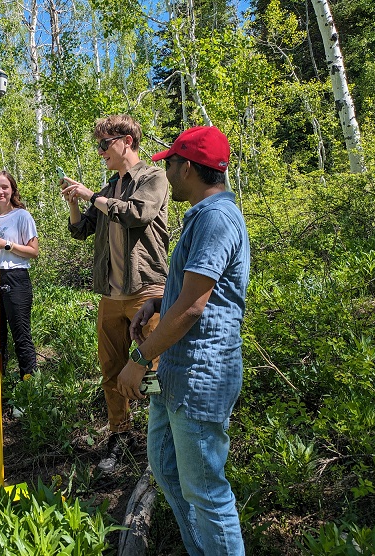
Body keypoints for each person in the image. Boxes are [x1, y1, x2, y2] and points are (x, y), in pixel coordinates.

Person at [116, 126, 250, 555]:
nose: (167, 172)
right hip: (175, 373)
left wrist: (139, 359)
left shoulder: (215, 218)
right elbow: (193, 292)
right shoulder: (203, 216)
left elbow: (195, 308)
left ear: (188, 167)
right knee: (167, 470)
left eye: (170, 163)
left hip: (200, 377)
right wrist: (158, 300)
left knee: (207, 493)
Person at [60, 114, 169, 473]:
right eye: (99, 145)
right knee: (111, 368)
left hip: (147, 290)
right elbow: (82, 230)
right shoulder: (107, 190)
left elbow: (137, 214)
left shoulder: (153, 177)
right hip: (111, 295)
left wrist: (92, 195)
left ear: (127, 140)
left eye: (105, 144)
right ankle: (120, 435)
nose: (101, 151)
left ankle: (162, 438)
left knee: (153, 369)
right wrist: (77, 202)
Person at [0, 170, 39, 383]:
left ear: (12, 190)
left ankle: (29, 389)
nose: (0, 192)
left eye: (5, 187)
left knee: (20, 333)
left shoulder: (22, 216)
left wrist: (7, 245)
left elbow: (33, 251)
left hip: (16, 277)